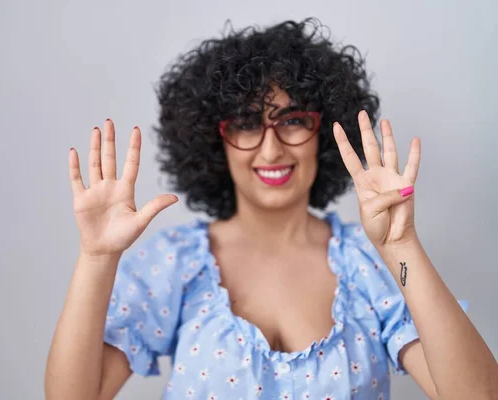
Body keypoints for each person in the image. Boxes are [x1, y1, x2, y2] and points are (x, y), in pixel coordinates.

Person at [44, 18, 497, 400]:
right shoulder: (175, 263)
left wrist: (401, 247)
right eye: (245, 124)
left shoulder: (369, 264)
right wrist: (97, 259)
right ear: (213, 141)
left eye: (293, 120)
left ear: (323, 133)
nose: (271, 147)